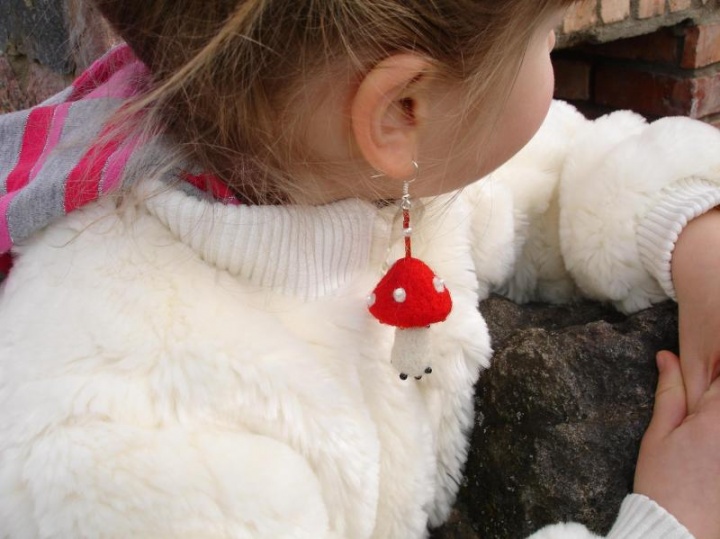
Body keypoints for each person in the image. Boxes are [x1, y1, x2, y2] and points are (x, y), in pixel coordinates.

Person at [0, 0, 719, 537]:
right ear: (401, 108)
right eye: (547, 34)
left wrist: (696, 234)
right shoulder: (133, 449)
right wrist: (669, 523)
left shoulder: (329, 159)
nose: (553, 50)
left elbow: (558, 167)